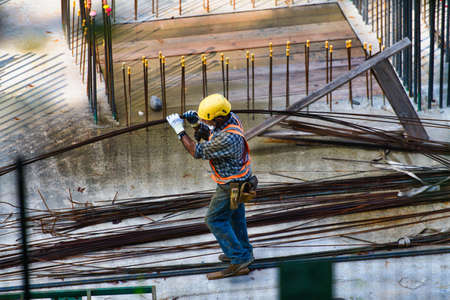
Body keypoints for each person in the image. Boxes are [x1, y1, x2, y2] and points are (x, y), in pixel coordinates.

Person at [166, 94, 256, 279]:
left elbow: (196, 151)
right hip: (240, 182)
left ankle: (238, 258)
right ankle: (244, 252)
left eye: (208, 119)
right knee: (235, 217)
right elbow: (211, 134)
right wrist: (196, 125)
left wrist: (180, 131)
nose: (205, 121)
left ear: (220, 117)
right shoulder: (231, 118)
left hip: (230, 186)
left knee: (214, 219)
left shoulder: (228, 139)